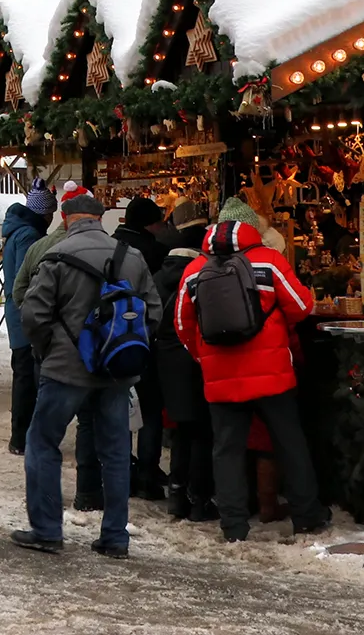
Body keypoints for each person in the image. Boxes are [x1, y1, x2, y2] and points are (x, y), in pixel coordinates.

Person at [14, 191, 161, 560]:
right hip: (115, 373)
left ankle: (47, 531)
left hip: (66, 370)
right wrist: (124, 352)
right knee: (114, 452)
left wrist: (49, 349)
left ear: (66, 220)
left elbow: (33, 313)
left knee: (43, 442)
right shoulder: (132, 256)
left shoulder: (56, 256)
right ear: (101, 219)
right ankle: (115, 537)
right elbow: (153, 312)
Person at [173, 219, 328, 541]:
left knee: (226, 450)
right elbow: (301, 307)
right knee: (289, 442)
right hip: (272, 373)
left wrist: (204, 357)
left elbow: (181, 324)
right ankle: (306, 515)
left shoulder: (194, 269)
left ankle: (233, 526)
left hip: (220, 376)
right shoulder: (270, 260)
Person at [12, 182, 104, 510]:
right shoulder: (110, 249)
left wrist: (44, 335)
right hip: (94, 352)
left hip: (53, 353)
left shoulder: (41, 246)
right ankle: (89, 495)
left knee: (46, 430)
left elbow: (20, 292)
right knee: (90, 424)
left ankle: (45, 509)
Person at [155, 200, 215, 522]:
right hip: (195, 358)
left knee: (181, 430)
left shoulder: (158, 276)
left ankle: (177, 495)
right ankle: (199, 499)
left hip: (167, 362)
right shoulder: (202, 276)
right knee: (202, 432)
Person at [113, 196, 170, 499]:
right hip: (144, 340)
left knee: (118, 407)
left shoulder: (110, 246)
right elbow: (156, 303)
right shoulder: (156, 252)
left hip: (110, 340)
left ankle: (123, 469)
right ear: (150, 223)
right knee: (149, 410)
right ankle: (147, 474)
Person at [0, 179, 56, 454]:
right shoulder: (29, 236)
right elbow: (28, 275)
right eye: (50, 214)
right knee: (26, 375)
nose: (52, 218)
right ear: (43, 214)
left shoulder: (16, 230)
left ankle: (21, 436)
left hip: (16, 310)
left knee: (23, 372)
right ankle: (21, 437)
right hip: (24, 312)